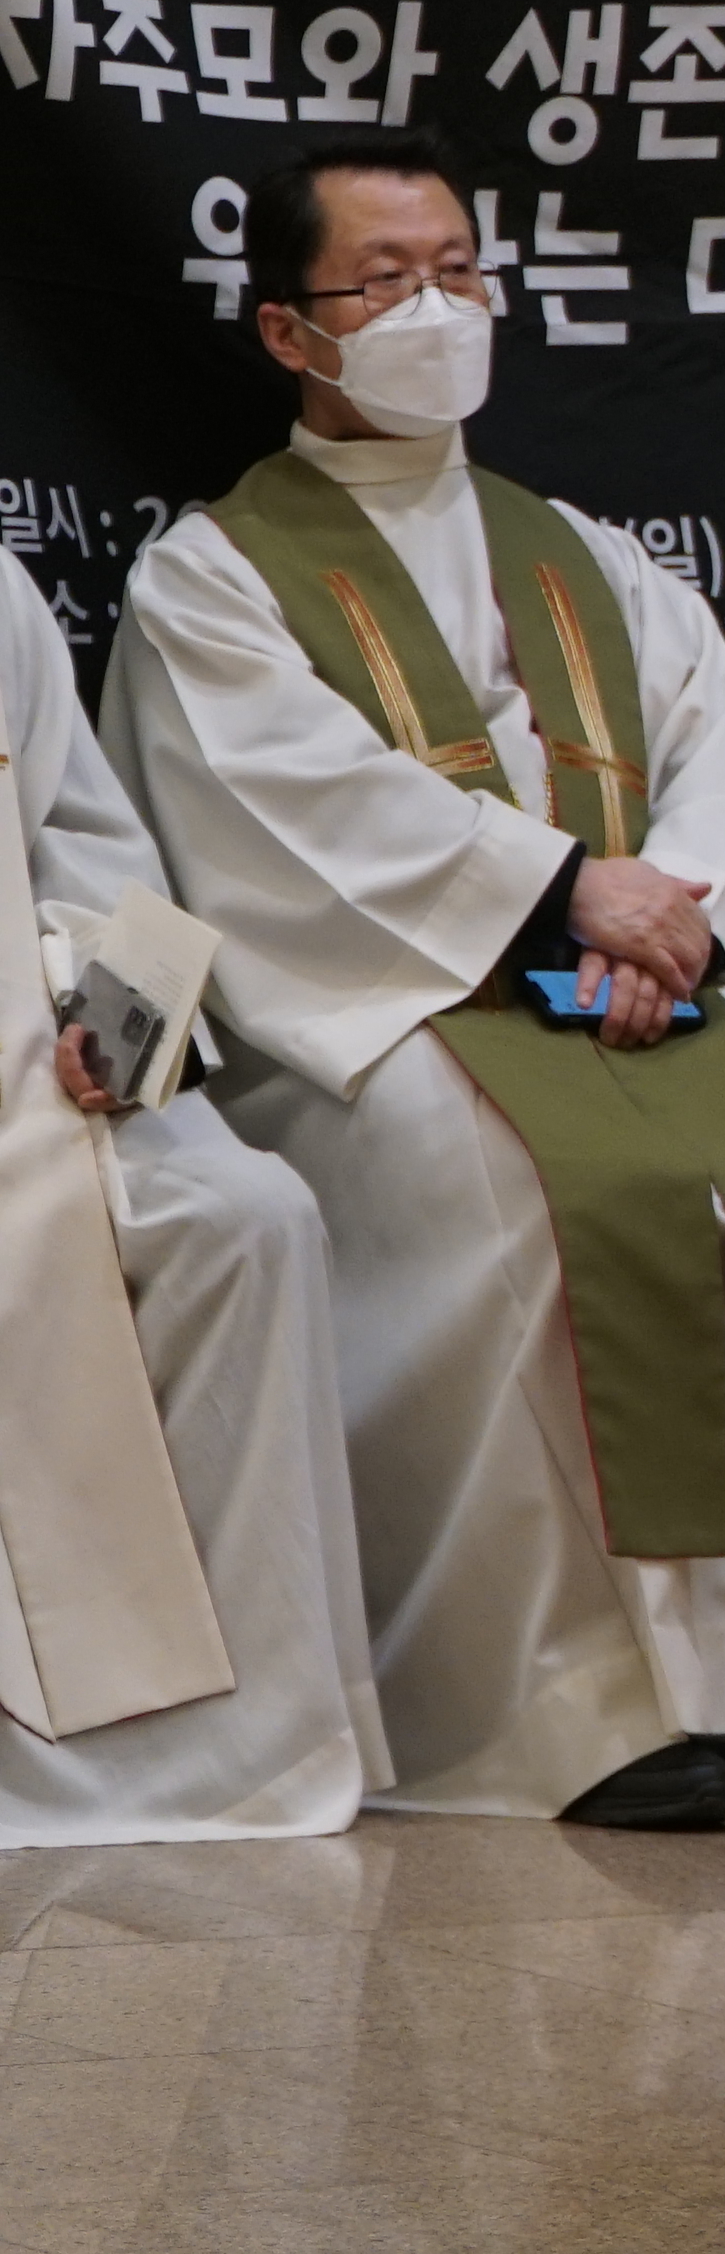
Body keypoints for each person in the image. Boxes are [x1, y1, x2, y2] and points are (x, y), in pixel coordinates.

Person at [102, 140, 725, 1828]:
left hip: (654, 981)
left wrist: (660, 919)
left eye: (457, 267)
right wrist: (556, 898)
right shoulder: (212, 578)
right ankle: (588, 1700)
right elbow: (288, 810)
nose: (433, 308)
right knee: (525, 1201)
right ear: (291, 333)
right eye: (382, 280)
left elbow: (716, 742)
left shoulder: (583, 550)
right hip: (407, 1010)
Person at [0, 564, 382, 1844]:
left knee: (248, 1219)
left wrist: (105, 1017)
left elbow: (91, 848)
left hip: (21, 1071)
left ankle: (246, 1735)